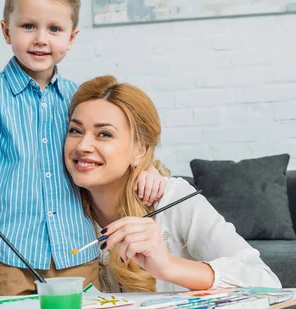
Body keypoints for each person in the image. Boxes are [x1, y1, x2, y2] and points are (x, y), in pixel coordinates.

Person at [0, 0, 165, 297]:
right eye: (28, 26)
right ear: (5, 30)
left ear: (71, 38)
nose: (41, 38)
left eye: (54, 29)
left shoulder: (77, 98)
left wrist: (149, 168)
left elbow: (110, 145)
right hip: (10, 256)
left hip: (75, 252)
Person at [64, 76, 282, 293]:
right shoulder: (60, 207)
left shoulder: (172, 198)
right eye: (75, 130)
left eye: (104, 134)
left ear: (140, 150)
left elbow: (265, 281)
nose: (83, 145)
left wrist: (168, 266)